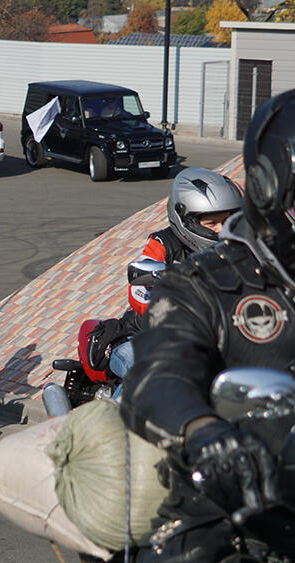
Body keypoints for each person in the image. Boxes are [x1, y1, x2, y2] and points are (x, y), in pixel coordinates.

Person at [120, 90, 295, 561]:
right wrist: (203, 430)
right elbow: (159, 377)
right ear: (273, 188)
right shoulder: (203, 285)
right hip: (232, 504)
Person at [128, 167, 243, 315]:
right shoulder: (164, 243)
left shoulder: (242, 240)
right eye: (212, 224)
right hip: (174, 325)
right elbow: (139, 291)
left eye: (227, 220)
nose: (221, 229)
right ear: (187, 221)